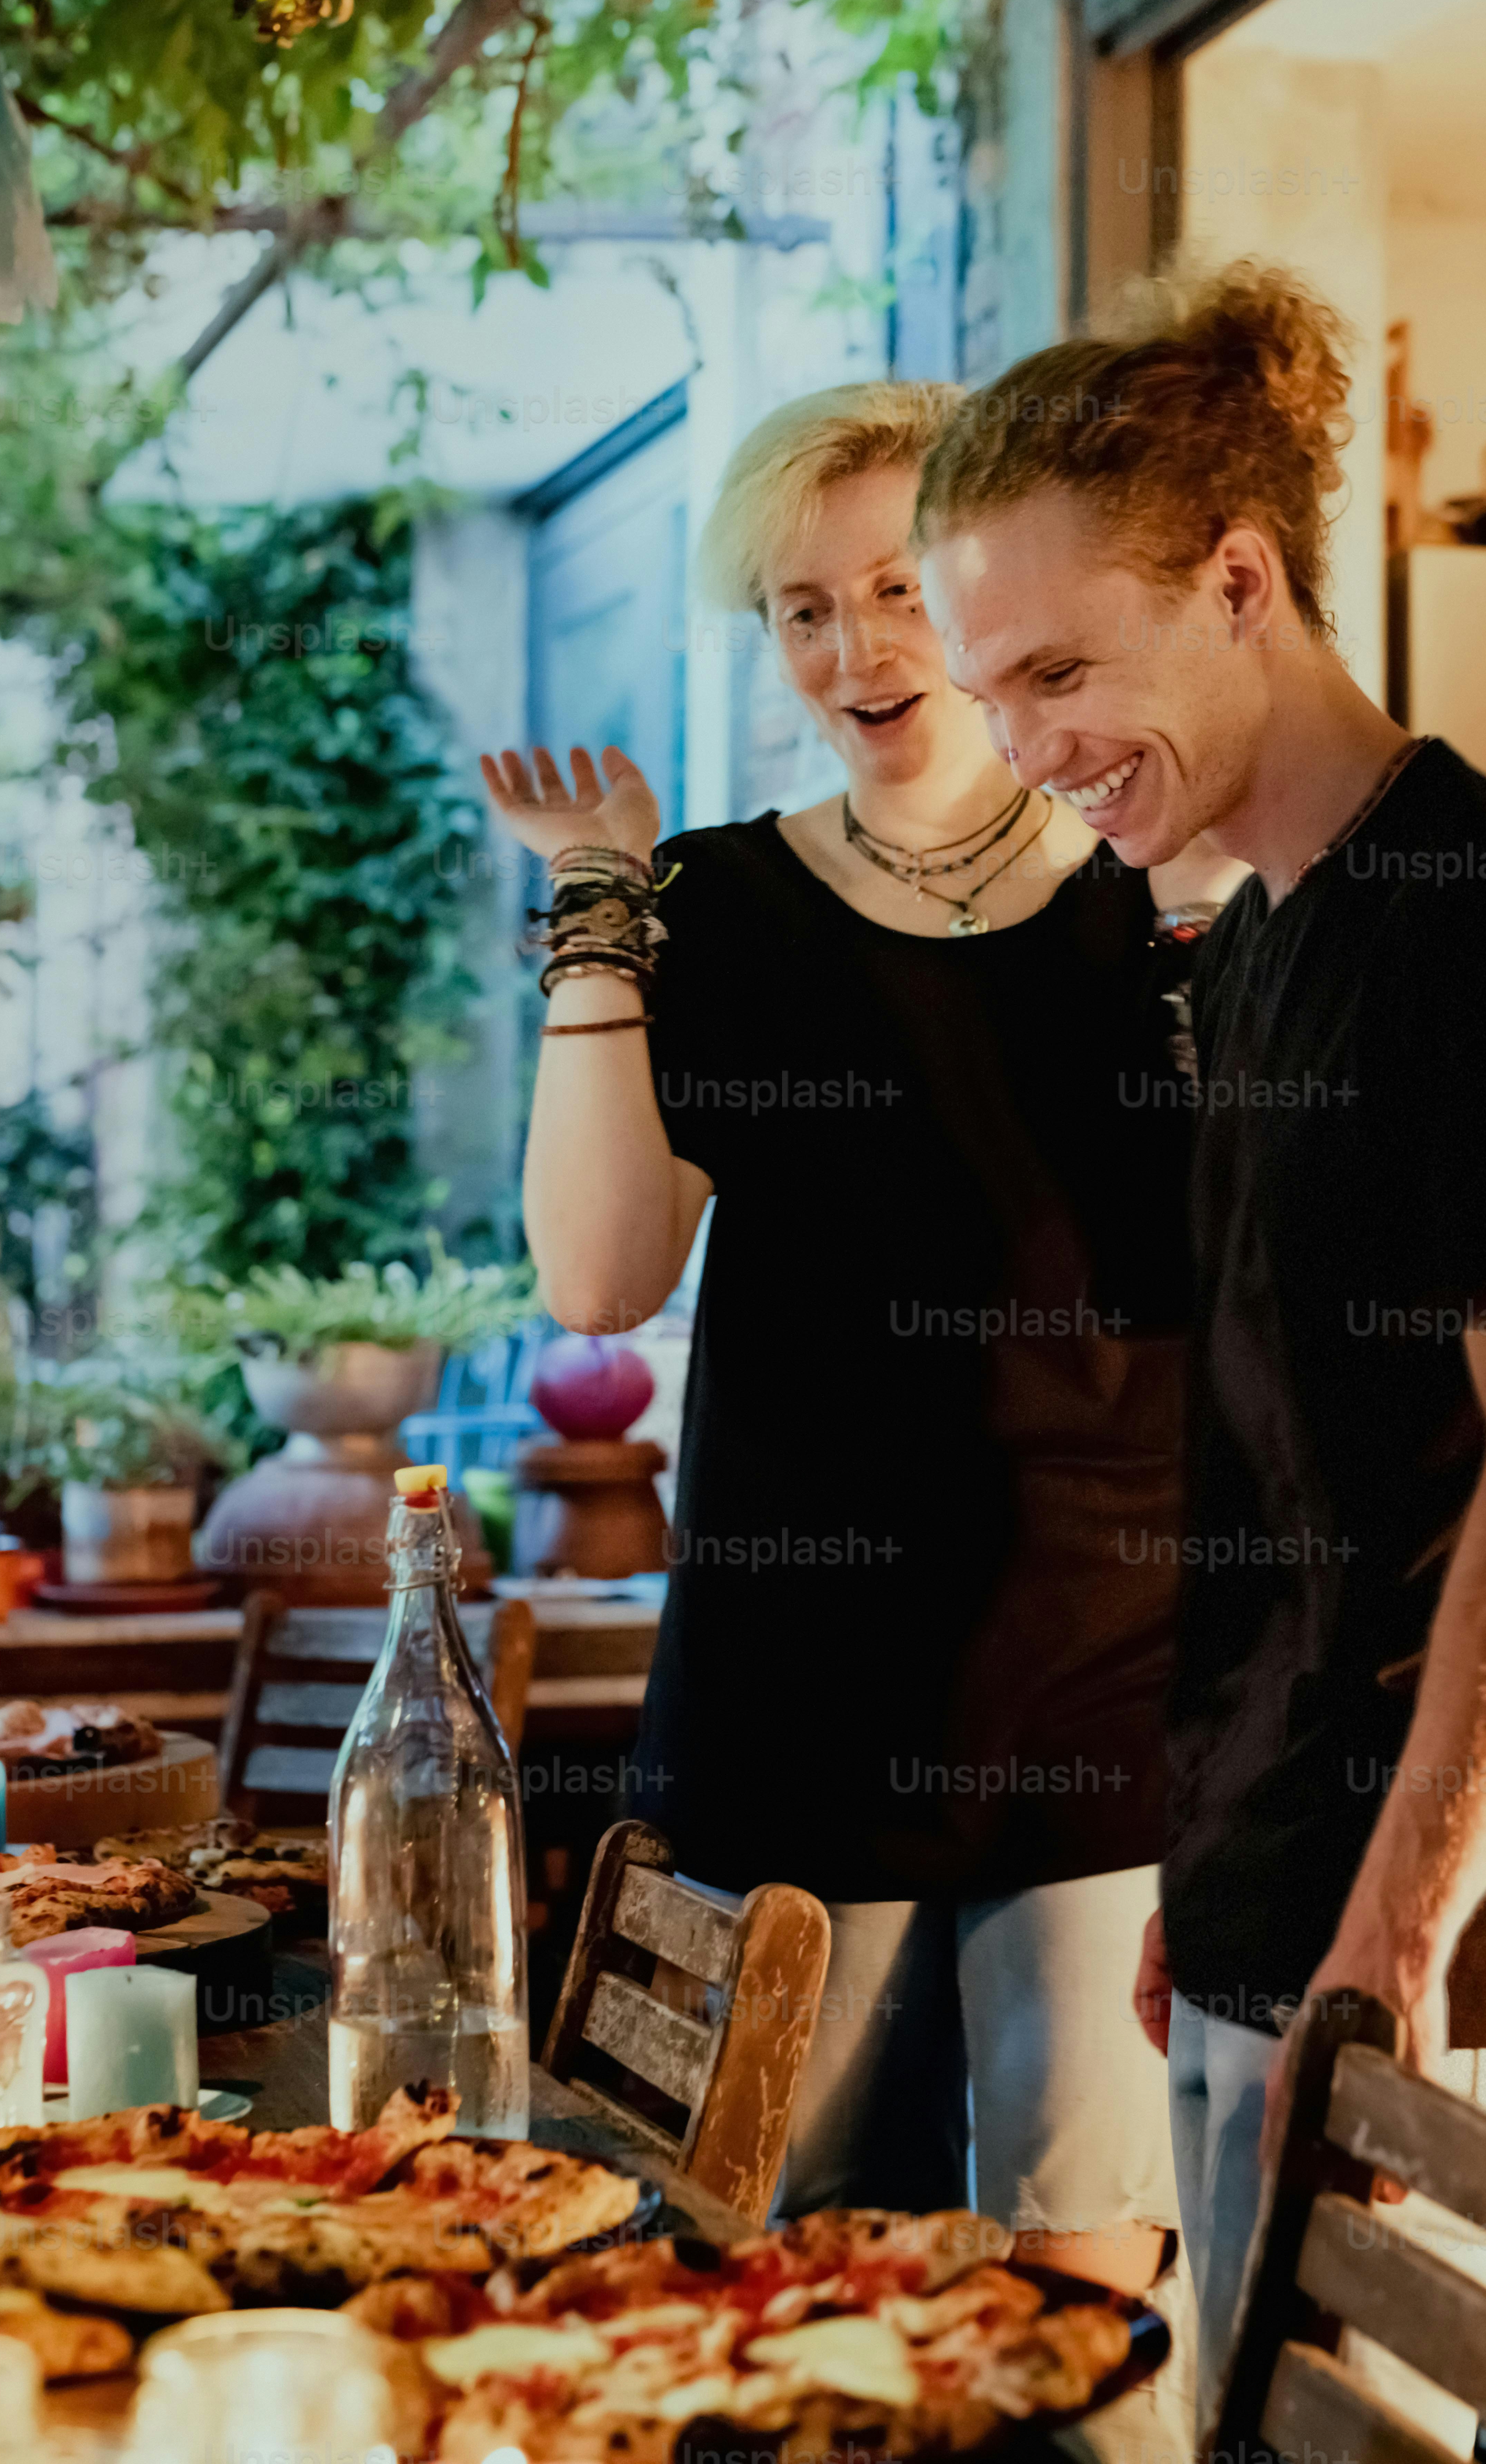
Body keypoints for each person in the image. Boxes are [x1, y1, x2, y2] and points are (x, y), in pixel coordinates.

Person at [913, 267, 1486, 2429]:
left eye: (1061, 669)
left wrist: (1394, 1925)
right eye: (995, 687)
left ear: (1238, 580)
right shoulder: (1246, 950)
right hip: (1274, 1889)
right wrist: (1207, 1851)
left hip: (1425, 1926)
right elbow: (1269, 1470)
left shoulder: (1484, 921)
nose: (1028, 744)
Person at [481, 381, 1225, 2414]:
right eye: (800, 610)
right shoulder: (707, 906)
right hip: (790, 1701)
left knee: (1084, 2337)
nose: (850, 651)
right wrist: (593, 903)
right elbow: (597, 1276)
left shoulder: (1160, 899)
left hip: (1107, 1688)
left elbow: (1252, 1306)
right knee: (751, 2317)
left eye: (894, 590)